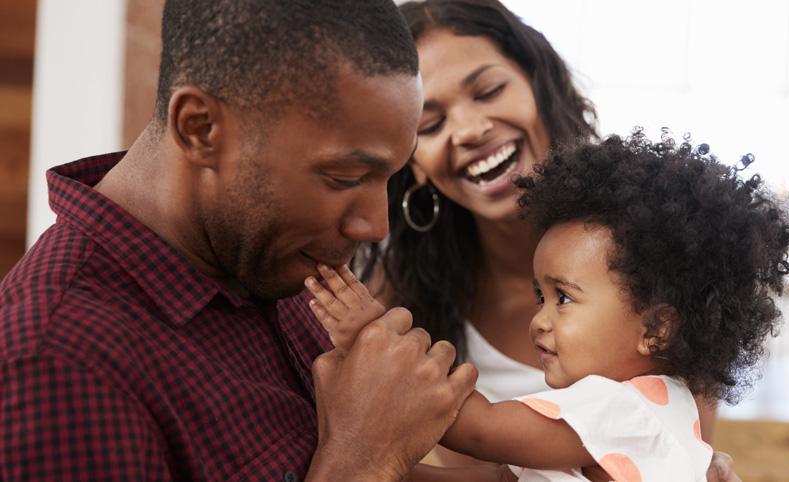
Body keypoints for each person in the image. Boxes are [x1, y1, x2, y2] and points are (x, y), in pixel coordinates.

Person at [0, 1, 479, 480]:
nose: (376, 227)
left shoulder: (264, 254)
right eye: (344, 177)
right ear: (200, 128)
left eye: (390, 178)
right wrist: (364, 459)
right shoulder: (55, 365)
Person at [342, 0, 734, 474]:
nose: (469, 130)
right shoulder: (397, 283)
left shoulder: (659, 269)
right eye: (429, 123)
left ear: (540, 87)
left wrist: (376, 345)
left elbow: (478, 429)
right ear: (410, 159)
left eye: (488, 90)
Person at [308, 131, 789, 481]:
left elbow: (474, 429)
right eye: (540, 296)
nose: (539, 320)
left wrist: (374, 339)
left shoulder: (621, 412)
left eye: (563, 298)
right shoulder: (643, 408)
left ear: (656, 329)